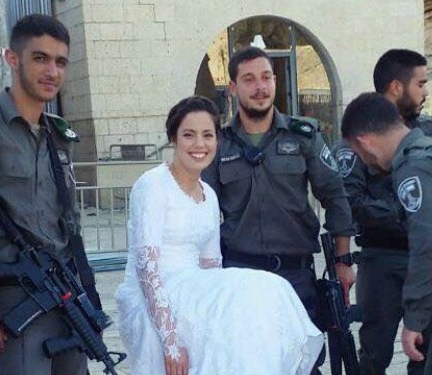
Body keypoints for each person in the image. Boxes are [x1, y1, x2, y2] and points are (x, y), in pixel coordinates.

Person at [115, 96, 324, 375]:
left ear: (217, 140)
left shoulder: (209, 195)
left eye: (207, 135)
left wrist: (219, 309)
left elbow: (211, 266)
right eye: (188, 135)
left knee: (265, 293)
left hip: (194, 287)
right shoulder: (153, 185)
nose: (199, 145)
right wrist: (171, 341)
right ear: (173, 138)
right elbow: (147, 268)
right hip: (155, 290)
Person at [0, 14, 96, 375]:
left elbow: (67, 221)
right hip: (12, 294)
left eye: (60, 62)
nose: (52, 71)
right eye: (39, 58)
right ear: (12, 59)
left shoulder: (58, 134)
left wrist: (85, 287)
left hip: (63, 288)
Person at [331, 48, 432, 375]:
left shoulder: (428, 133)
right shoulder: (358, 135)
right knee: (374, 354)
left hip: (428, 263)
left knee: (427, 353)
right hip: (382, 260)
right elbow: (351, 204)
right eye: (420, 83)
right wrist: (413, 215)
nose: (425, 91)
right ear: (396, 86)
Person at [201, 46, 356, 373]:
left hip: (294, 277)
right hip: (240, 276)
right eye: (249, 79)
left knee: (303, 362)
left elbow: (335, 196)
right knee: (247, 363)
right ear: (233, 88)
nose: (260, 86)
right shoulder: (219, 144)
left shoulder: (304, 135)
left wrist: (343, 261)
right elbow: (199, 208)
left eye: (266, 77)